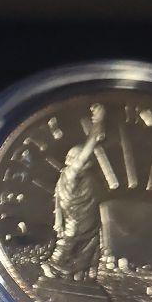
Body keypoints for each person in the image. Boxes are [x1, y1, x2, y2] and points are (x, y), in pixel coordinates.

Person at [40, 104, 106, 280]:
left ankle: (74, 270)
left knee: (90, 240)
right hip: (76, 215)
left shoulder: (76, 174)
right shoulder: (72, 172)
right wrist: (98, 122)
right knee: (69, 239)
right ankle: (52, 264)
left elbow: (57, 199)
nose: (69, 158)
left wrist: (58, 219)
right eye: (73, 156)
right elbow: (90, 145)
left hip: (85, 215)